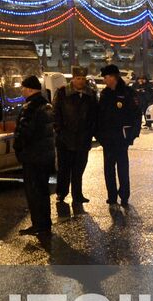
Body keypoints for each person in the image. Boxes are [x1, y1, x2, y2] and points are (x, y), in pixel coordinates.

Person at [12, 74, 56, 239]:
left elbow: (25, 132)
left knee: (34, 191)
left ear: (30, 89)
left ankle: (39, 224)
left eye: (23, 88)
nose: (22, 91)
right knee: (43, 190)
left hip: (32, 156)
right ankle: (45, 223)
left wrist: (18, 147)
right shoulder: (46, 105)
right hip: (45, 155)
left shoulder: (30, 108)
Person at [53, 66, 98, 214]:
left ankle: (77, 195)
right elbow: (56, 113)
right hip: (65, 138)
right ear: (73, 79)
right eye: (78, 78)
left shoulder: (90, 94)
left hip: (83, 138)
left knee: (79, 169)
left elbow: (94, 115)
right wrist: (59, 130)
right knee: (64, 168)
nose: (81, 81)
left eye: (83, 79)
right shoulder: (62, 93)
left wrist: (90, 132)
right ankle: (62, 192)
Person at [96, 64, 141, 207]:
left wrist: (132, 135)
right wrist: (100, 136)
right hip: (107, 138)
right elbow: (99, 115)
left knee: (122, 168)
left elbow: (136, 115)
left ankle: (124, 195)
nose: (104, 80)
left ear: (113, 77)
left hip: (122, 138)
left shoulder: (128, 93)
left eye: (106, 77)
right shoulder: (105, 94)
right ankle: (112, 196)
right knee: (108, 169)